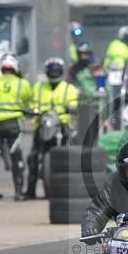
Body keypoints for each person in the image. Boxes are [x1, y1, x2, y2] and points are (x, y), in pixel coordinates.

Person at [26, 58, 78, 199]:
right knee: (33, 157)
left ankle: (73, 187)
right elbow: (32, 104)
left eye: (56, 70)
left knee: (72, 155)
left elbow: (74, 104)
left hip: (62, 124)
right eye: (51, 70)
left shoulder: (69, 88)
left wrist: (72, 109)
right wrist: (32, 110)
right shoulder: (38, 87)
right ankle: (30, 191)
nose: (54, 73)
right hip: (43, 124)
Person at [0, 52, 33, 201]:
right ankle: (18, 193)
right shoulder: (22, 83)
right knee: (17, 157)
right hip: (13, 124)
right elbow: (28, 100)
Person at [104, 26, 128, 130]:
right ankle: (116, 123)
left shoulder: (118, 45)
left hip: (118, 79)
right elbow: (118, 68)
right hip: (117, 79)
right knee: (117, 101)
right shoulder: (120, 47)